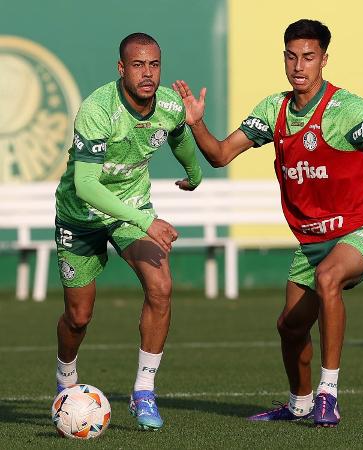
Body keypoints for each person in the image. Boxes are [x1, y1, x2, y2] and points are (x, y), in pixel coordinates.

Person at [173, 19, 363, 427]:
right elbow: (220, 155)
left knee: (329, 278)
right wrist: (196, 123)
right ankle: (300, 403)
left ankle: (329, 395)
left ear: (324, 59)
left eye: (308, 57)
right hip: (312, 242)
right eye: (292, 56)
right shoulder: (274, 109)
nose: (299, 66)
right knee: (289, 328)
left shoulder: (345, 109)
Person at [54, 32, 203, 431]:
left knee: (161, 287)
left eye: (154, 64)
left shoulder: (169, 103)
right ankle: (65, 379)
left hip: (130, 210)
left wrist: (194, 173)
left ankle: (143, 391)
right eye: (138, 65)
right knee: (79, 317)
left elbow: (179, 135)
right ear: (122, 69)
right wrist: (145, 221)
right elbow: (86, 185)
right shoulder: (98, 109)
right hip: (80, 214)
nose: (147, 73)